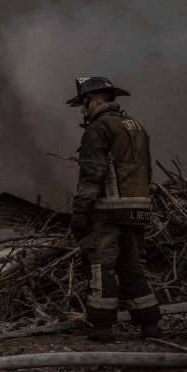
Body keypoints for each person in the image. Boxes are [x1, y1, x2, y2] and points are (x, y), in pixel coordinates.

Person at [66, 77, 161, 343]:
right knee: (131, 267)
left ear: (94, 100)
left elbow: (91, 175)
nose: (83, 111)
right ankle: (150, 324)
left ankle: (102, 328)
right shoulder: (137, 127)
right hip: (137, 211)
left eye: (83, 105)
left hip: (108, 213)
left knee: (101, 267)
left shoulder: (98, 129)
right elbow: (147, 171)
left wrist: (81, 213)